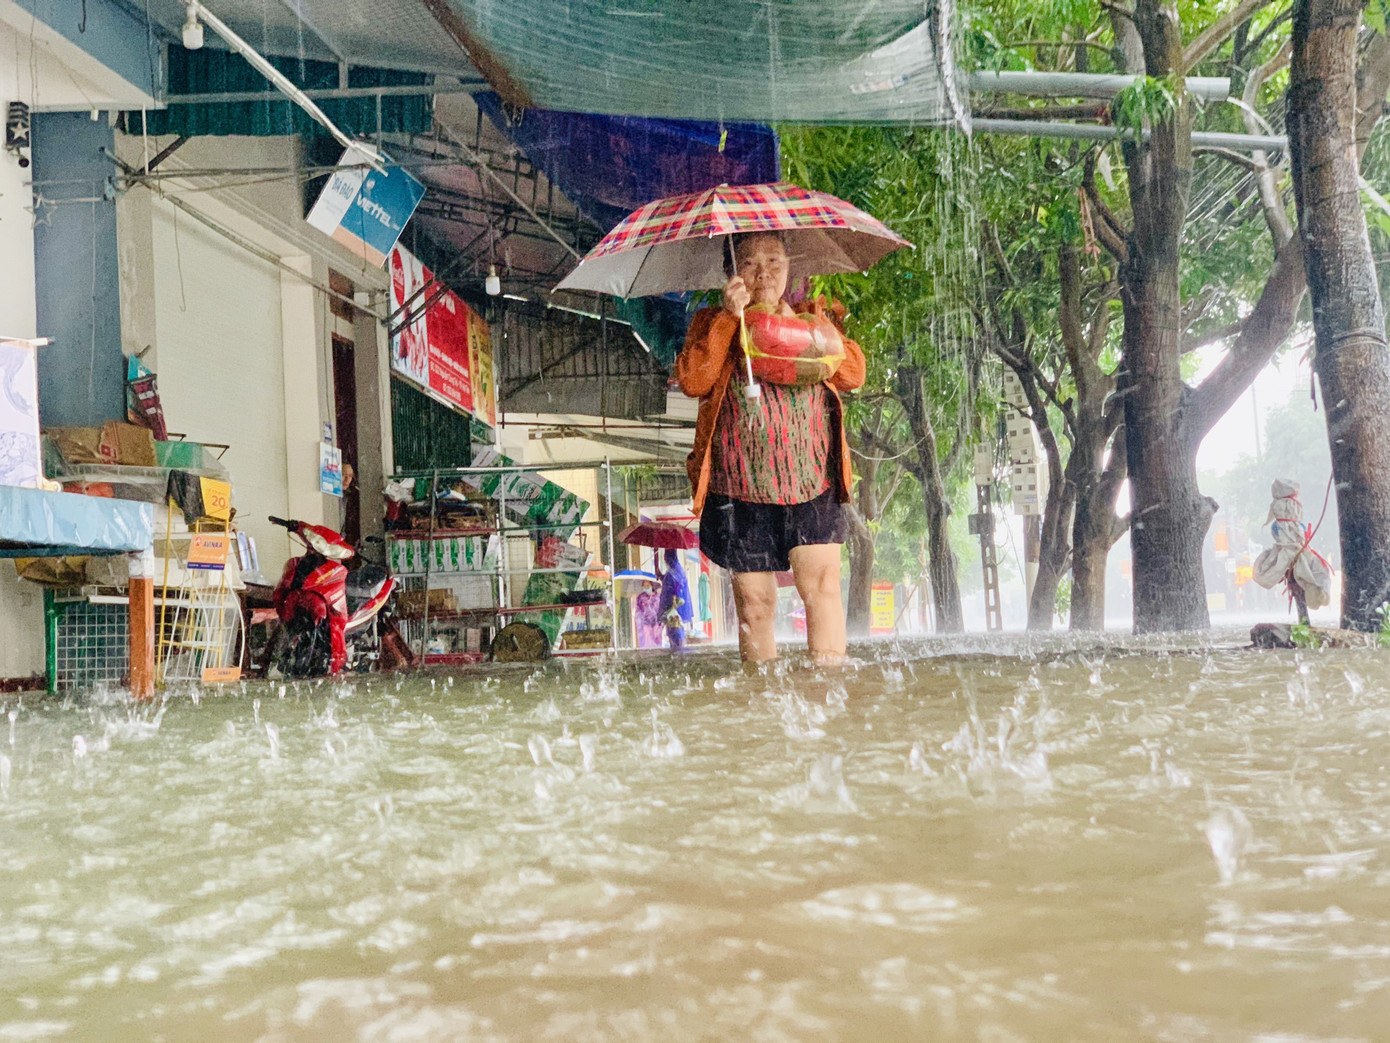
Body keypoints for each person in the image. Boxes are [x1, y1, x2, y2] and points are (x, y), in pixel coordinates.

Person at [675, 231, 865, 664]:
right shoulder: (712, 323)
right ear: (731, 271)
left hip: (813, 479)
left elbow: (853, 373)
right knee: (754, 604)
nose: (763, 273)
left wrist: (816, 330)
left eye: (775, 261)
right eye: (750, 263)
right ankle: (760, 707)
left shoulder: (812, 317)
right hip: (741, 486)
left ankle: (830, 695)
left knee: (822, 588)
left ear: (789, 268)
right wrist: (728, 318)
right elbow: (695, 380)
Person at [658, 548, 693, 652]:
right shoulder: (677, 571)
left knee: (674, 634)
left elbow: (670, 590)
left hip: (672, 609)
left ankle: (677, 652)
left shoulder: (672, 573)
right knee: (676, 633)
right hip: (676, 609)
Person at [635, 579, 662, 648]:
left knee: (657, 639)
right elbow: (638, 610)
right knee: (647, 639)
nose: (646, 587)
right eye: (644, 586)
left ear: (652, 586)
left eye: (648, 585)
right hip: (645, 622)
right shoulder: (640, 597)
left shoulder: (657, 596)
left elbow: (660, 608)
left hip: (657, 621)